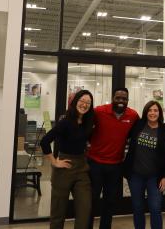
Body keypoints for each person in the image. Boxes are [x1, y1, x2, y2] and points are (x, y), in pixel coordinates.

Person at [40, 90, 94, 229]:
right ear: (75, 101)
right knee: (58, 212)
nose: (84, 104)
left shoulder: (88, 123)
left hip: (82, 168)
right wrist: (54, 161)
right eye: (82, 101)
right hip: (64, 167)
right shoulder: (65, 122)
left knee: (85, 210)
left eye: (88, 103)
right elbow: (45, 141)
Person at [87, 88, 139, 229]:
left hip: (116, 166)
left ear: (127, 100)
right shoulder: (99, 111)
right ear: (112, 98)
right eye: (118, 98)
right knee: (91, 201)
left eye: (124, 98)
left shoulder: (133, 115)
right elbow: (84, 124)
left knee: (110, 202)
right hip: (95, 164)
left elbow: (137, 133)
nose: (121, 101)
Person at [123, 101, 165, 229]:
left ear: (159, 113)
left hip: (155, 177)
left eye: (155, 110)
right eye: (150, 110)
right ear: (146, 112)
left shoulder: (164, 129)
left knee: (155, 208)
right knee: (137, 207)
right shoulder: (138, 125)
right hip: (135, 175)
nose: (152, 113)